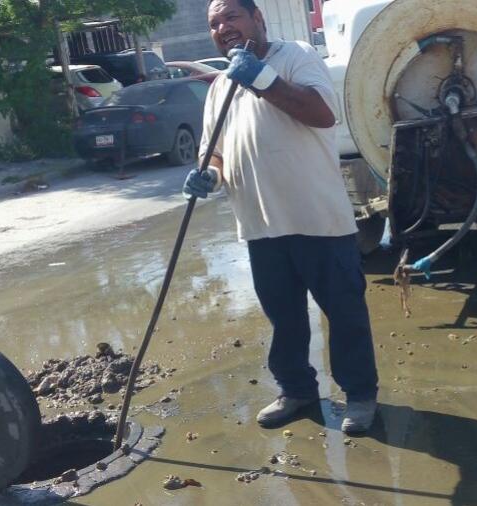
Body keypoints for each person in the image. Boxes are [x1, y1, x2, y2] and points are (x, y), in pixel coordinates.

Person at [185, 0, 380, 433]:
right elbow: (214, 153)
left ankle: (360, 396)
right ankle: (296, 390)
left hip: (319, 221)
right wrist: (208, 178)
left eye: (231, 16)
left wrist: (262, 79)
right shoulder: (219, 87)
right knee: (284, 320)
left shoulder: (295, 56)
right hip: (260, 227)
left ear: (258, 18)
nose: (223, 27)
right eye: (214, 23)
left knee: (345, 314)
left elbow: (321, 113)